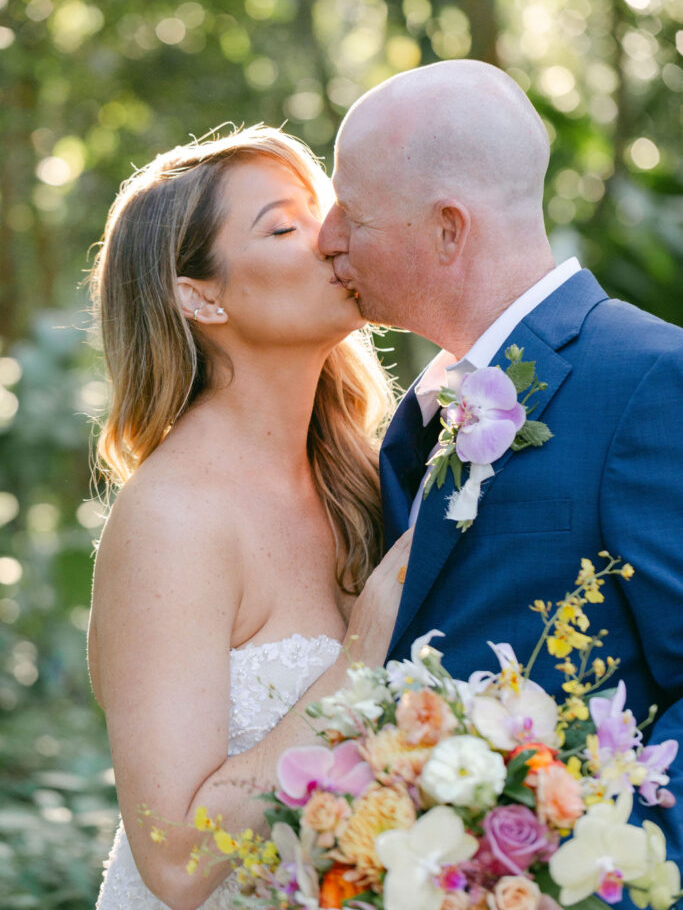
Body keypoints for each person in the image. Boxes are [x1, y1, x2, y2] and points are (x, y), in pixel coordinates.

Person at [319, 58, 683, 866]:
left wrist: (608, 869)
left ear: (449, 229)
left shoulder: (652, 381)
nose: (325, 238)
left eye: (352, 213)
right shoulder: (412, 415)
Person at [87, 125, 412, 910]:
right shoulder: (172, 520)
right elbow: (173, 861)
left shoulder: (370, 478)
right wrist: (358, 655)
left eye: (324, 212)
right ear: (200, 295)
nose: (333, 240)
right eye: (284, 226)